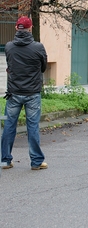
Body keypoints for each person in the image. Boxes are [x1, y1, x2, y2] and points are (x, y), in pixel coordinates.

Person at [1, 16, 48, 170]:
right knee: (32, 126)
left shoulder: (8, 46)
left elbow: (10, 66)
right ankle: (36, 162)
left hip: (14, 93)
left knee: (9, 125)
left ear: (16, 28)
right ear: (31, 28)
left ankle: (5, 160)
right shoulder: (38, 47)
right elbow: (43, 67)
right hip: (32, 93)